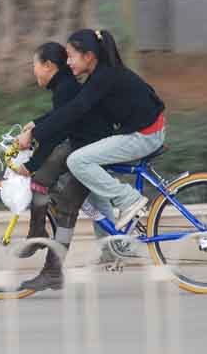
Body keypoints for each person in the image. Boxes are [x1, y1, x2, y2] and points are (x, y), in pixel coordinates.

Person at [18, 29, 165, 291]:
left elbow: (72, 111)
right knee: (89, 181)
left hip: (145, 135)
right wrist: (35, 125)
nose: (68, 61)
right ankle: (112, 247)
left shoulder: (104, 77)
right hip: (135, 130)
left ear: (88, 56)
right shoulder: (98, 77)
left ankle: (129, 200)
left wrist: (36, 134)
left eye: (72, 56)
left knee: (78, 162)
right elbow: (70, 111)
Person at [14, 42, 118, 274]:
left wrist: (32, 164)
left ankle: (49, 259)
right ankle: (110, 250)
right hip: (85, 143)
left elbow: (58, 129)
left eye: (35, 65)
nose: (33, 71)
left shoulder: (65, 88)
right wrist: (36, 124)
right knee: (83, 195)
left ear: (48, 65)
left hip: (89, 147)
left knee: (54, 191)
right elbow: (60, 115)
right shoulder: (65, 86)